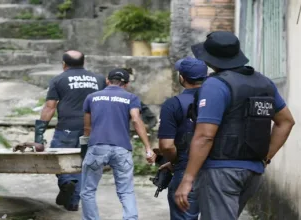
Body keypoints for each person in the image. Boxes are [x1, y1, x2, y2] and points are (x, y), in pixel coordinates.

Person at [174, 31, 295, 220]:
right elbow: (286, 121)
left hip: (221, 172)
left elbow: (205, 136)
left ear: (210, 59)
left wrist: (187, 179)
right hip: (252, 172)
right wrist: (265, 157)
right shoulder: (264, 83)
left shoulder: (215, 85)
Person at [80, 68, 156, 220]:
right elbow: (136, 120)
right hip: (122, 148)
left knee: (88, 190)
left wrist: (87, 148)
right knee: (126, 190)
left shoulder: (92, 97)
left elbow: (87, 127)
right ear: (126, 84)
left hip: (97, 146)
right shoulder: (131, 98)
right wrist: (148, 148)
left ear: (107, 80)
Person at [34, 50, 106, 211]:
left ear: (64, 64)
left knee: (57, 159)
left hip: (66, 128)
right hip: (92, 129)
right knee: (82, 164)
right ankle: (73, 203)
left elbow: (50, 107)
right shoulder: (99, 79)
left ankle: (66, 182)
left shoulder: (59, 79)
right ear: (84, 62)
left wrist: (39, 132)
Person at [158, 57, 207, 220]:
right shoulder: (219, 100)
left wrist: (174, 162)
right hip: (217, 171)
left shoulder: (173, 104)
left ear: (182, 78)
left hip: (185, 170)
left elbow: (166, 146)